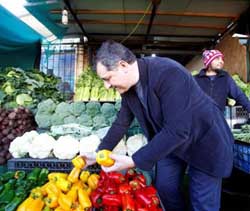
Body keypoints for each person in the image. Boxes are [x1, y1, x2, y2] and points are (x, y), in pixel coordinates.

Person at [82, 40, 234, 211]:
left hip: (204, 142)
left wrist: (133, 160)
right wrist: (99, 153)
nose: (107, 85)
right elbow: (122, 121)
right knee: (165, 190)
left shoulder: (169, 73)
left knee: (202, 202)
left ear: (123, 65)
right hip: (171, 143)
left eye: (108, 78)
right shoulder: (128, 89)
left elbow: (178, 129)